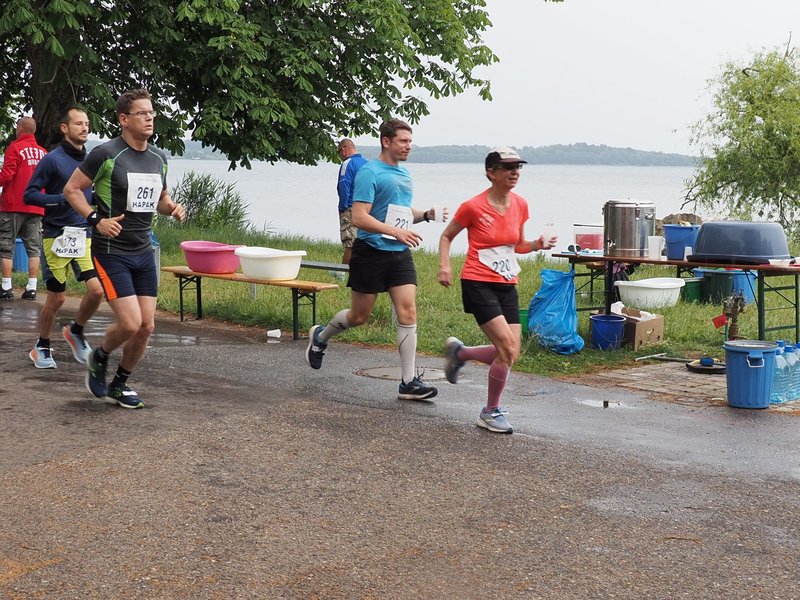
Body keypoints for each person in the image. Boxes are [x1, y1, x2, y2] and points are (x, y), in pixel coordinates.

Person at [63, 89, 185, 408]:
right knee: (130, 323)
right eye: (142, 113)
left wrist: (171, 208)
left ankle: (119, 385)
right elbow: (72, 189)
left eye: (151, 113)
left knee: (146, 327)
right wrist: (95, 219)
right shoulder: (106, 154)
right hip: (111, 250)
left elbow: (160, 200)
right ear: (124, 119)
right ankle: (99, 356)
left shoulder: (159, 158)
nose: (149, 118)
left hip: (143, 250)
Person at [306, 118, 442, 401]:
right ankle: (320, 337)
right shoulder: (369, 173)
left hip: (399, 254)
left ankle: (408, 382)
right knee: (359, 317)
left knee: (408, 312)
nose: (408, 146)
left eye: (410, 141)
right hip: (369, 253)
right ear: (386, 141)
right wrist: (395, 231)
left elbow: (401, 212)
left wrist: (426, 215)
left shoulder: (404, 174)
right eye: (403, 141)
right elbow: (359, 217)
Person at [437, 147, 557, 434]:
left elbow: (517, 245)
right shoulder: (473, 206)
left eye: (518, 167)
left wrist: (537, 244)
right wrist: (445, 266)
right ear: (491, 173)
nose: (515, 172)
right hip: (477, 282)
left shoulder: (520, 204)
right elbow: (446, 236)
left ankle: (460, 354)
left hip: (507, 283)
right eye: (508, 167)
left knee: (511, 353)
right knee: (507, 348)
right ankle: (490, 411)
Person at [23, 106, 104, 369]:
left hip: (83, 236)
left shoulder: (90, 161)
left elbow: (91, 195)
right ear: (64, 128)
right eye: (79, 123)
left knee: (96, 291)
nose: (85, 127)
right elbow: (30, 194)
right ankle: (41, 345)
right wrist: (61, 199)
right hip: (56, 237)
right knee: (57, 298)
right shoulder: (52, 160)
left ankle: (75, 331)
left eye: (87, 123)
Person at [0, 116, 47, 300]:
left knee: (6, 245)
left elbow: (7, 174)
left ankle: (6, 288)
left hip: (13, 205)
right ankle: (32, 288)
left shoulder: (15, 148)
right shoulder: (43, 152)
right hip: (36, 206)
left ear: (20, 128)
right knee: (33, 247)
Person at [335, 138, 367, 265]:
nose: (340, 156)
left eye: (338, 152)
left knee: (350, 243)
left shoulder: (347, 163)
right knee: (362, 241)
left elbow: (344, 185)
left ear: (343, 150)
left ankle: (342, 271)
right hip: (367, 209)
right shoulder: (367, 164)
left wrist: (342, 207)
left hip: (350, 207)